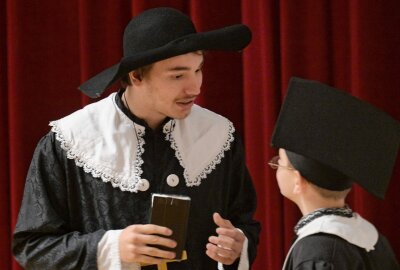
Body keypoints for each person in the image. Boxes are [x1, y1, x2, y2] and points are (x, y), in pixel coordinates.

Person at [12, 7, 260, 270]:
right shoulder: (70, 141)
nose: (195, 87)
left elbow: (244, 223)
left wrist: (237, 246)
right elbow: (33, 247)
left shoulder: (218, 136)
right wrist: (110, 248)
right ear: (136, 76)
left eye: (197, 70)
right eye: (177, 75)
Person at [268, 77, 400, 270]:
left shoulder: (318, 253)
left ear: (298, 180)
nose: (275, 166)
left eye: (279, 162)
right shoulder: (373, 238)